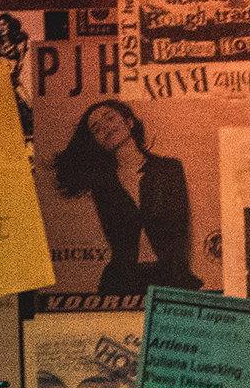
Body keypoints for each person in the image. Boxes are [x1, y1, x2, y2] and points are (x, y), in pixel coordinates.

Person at [53, 102, 192, 295]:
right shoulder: (102, 186)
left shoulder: (169, 169)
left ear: (129, 122)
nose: (106, 128)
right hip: (122, 283)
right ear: (97, 142)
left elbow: (180, 231)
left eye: (110, 118)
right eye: (97, 129)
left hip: (171, 278)